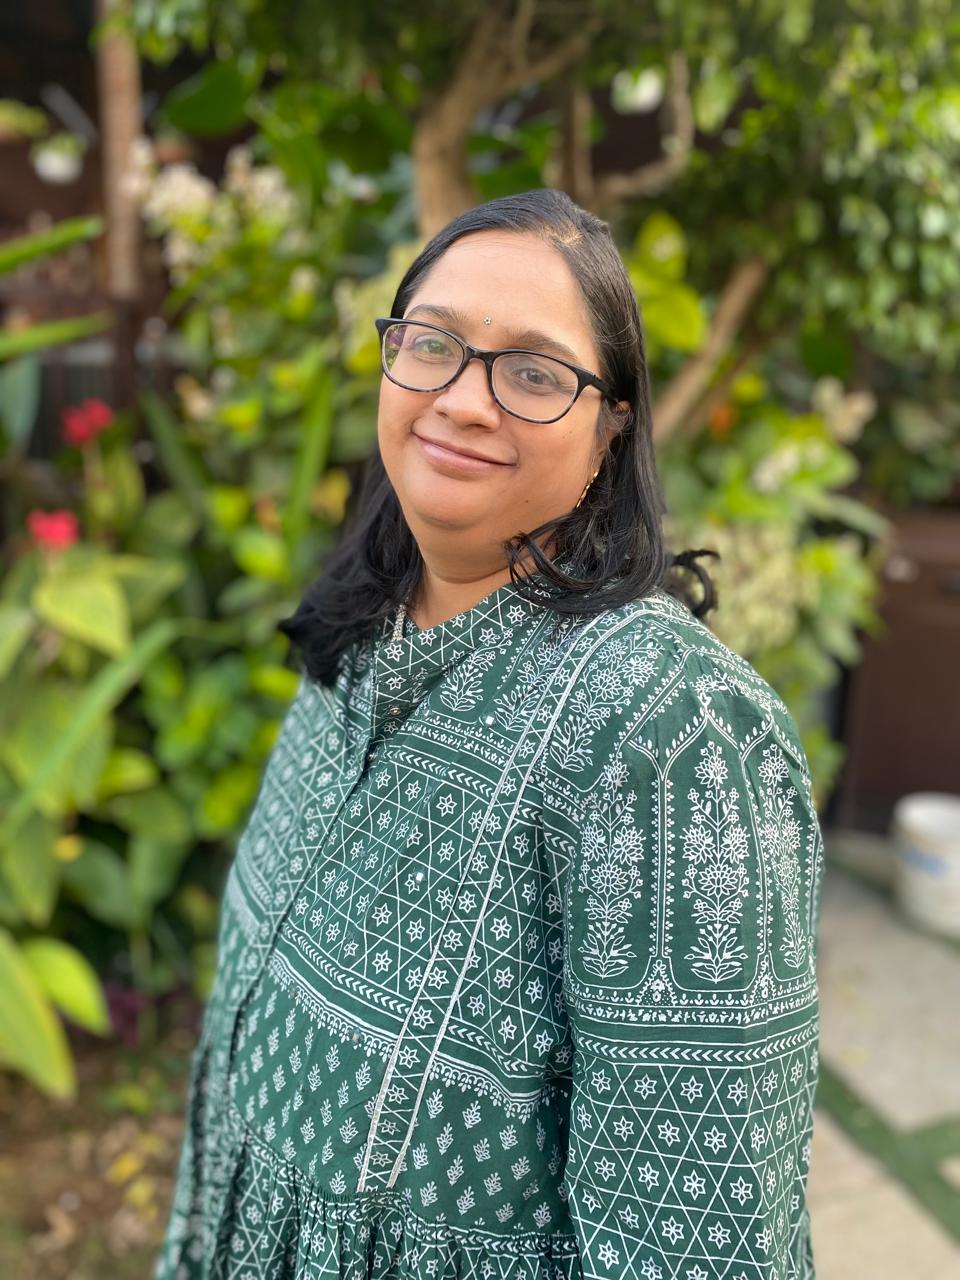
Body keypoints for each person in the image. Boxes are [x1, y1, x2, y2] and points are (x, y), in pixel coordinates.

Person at [156, 189, 822, 1280]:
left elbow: (696, 1244)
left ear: (612, 426)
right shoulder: (361, 633)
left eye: (534, 372)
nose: (463, 400)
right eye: (434, 344)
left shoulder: (670, 732)